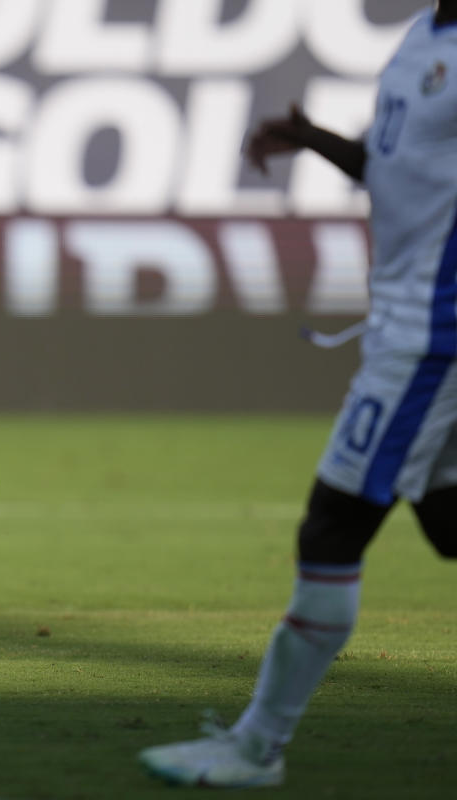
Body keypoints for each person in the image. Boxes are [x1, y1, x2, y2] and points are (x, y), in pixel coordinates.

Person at [140, 1, 457, 787]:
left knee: (332, 529)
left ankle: (257, 747)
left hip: (429, 343)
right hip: (406, 330)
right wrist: (317, 140)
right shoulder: (425, 33)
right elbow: (404, 170)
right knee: (448, 522)